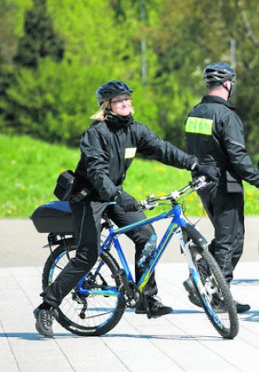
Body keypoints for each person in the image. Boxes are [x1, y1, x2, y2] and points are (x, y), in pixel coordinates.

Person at [33, 80, 216, 338]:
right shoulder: (95, 134)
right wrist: (118, 195)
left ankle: (146, 299)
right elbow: (96, 173)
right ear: (107, 106)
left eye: (128, 99)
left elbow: (162, 149)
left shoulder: (134, 130)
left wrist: (194, 165)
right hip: (89, 199)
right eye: (120, 101)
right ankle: (47, 306)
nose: (126, 104)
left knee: (147, 237)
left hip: (114, 194)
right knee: (88, 254)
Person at [183, 62, 259, 313]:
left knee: (227, 237)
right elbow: (237, 154)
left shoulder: (195, 112)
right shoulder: (226, 116)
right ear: (227, 85)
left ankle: (207, 281)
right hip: (225, 184)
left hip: (203, 183)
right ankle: (213, 290)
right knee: (229, 239)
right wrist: (258, 182)